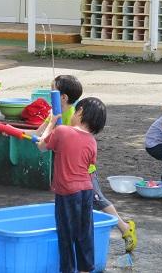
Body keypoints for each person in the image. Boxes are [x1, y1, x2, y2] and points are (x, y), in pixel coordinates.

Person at [26, 74, 137, 253]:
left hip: (81, 170)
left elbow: (63, 141)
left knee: (97, 199)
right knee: (80, 202)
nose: (49, 92)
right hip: (67, 169)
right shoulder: (55, 114)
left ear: (63, 97)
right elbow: (39, 133)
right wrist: (13, 132)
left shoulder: (71, 114)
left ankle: (125, 228)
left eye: (52, 89)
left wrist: (50, 134)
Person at [37, 97, 106, 273]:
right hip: (86, 190)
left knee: (66, 233)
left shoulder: (62, 131)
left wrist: (52, 123)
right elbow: (90, 164)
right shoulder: (92, 141)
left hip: (67, 191)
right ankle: (86, 269)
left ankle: (67, 270)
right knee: (84, 232)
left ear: (80, 111)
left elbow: (41, 146)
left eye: (75, 111)